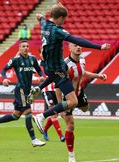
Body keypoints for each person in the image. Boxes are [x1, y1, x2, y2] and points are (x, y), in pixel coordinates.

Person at [27, 3, 110, 134]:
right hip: (56, 68)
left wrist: (40, 17)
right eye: (64, 19)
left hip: (50, 66)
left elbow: (41, 18)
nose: (64, 22)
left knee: (66, 68)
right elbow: (76, 39)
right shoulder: (57, 30)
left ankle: (39, 88)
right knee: (72, 101)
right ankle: (41, 116)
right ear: (60, 17)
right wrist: (99, 47)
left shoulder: (44, 24)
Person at [0, 40, 46, 147]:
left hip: (28, 90)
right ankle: (33, 139)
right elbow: (3, 70)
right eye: (23, 46)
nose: (25, 48)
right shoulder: (15, 60)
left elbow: (39, 69)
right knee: (28, 112)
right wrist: (4, 79)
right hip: (21, 90)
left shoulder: (32, 59)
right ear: (19, 48)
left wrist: (41, 75)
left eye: (27, 46)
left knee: (16, 115)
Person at [57, 43, 107, 162]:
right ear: (70, 48)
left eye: (80, 46)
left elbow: (83, 73)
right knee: (71, 125)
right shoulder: (64, 65)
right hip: (67, 96)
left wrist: (98, 76)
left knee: (86, 108)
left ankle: (73, 109)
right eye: (75, 46)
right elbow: (57, 86)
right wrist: (60, 107)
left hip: (79, 93)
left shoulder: (83, 60)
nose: (78, 47)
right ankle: (71, 154)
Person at [38, 47, 65, 142]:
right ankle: (61, 136)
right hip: (46, 90)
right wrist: (39, 78)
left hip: (56, 89)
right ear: (40, 54)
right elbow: (33, 74)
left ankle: (45, 130)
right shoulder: (38, 63)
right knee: (53, 114)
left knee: (56, 113)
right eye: (42, 52)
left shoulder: (53, 62)